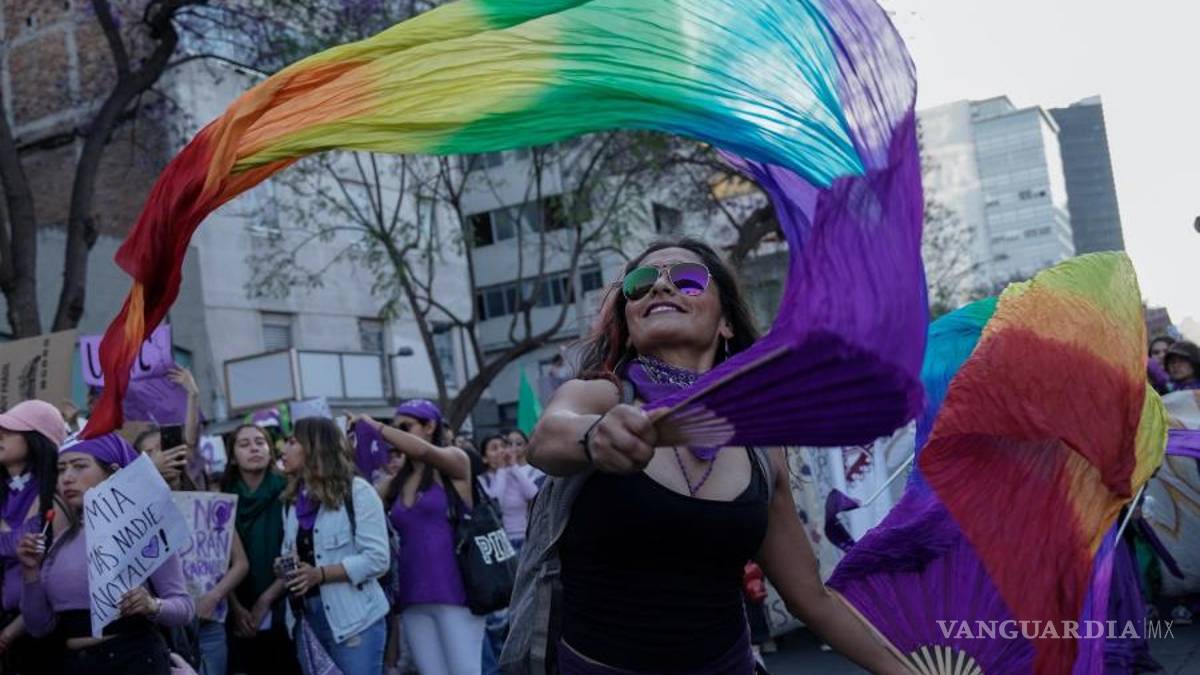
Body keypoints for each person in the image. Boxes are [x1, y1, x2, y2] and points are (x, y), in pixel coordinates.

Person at [504, 239, 912, 674]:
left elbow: (811, 598)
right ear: (628, 317)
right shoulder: (601, 396)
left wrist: (908, 672)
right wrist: (594, 436)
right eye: (640, 284)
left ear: (726, 324)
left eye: (687, 279)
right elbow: (547, 438)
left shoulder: (759, 444)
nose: (659, 287)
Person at [18, 433, 195, 674]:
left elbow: (184, 608)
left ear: (113, 472)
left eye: (79, 466)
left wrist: (152, 605)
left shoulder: (145, 529)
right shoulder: (58, 543)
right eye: (61, 469)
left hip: (135, 661)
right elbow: (38, 626)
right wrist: (30, 572)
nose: (67, 478)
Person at [365, 399, 484, 675]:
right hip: (411, 594)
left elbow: (420, 449)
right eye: (395, 429)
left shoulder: (455, 460)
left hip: (456, 592)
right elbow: (361, 499)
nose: (397, 435)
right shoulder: (393, 482)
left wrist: (376, 426)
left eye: (405, 427)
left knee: (465, 671)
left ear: (430, 426)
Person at [272, 417, 390, 673]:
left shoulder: (357, 492)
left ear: (314, 446)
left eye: (293, 441)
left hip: (355, 620)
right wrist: (284, 565)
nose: (283, 449)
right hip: (306, 621)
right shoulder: (291, 502)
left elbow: (378, 559)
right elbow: (289, 551)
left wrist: (320, 575)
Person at [222, 424, 300, 675]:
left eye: (260, 442)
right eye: (244, 444)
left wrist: (267, 599)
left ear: (270, 450)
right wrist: (235, 607)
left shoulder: (290, 492)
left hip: (286, 601)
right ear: (233, 457)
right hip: (237, 609)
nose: (254, 448)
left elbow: (297, 551)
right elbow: (217, 561)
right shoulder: (221, 500)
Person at [0, 400, 67, 673]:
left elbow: (56, 577)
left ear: (37, 439)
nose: (0, 435)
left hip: (42, 631)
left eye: (9, 429)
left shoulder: (58, 495)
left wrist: (7, 635)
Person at [479, 435, 538, 550]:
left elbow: (533, 494)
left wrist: (514, 467)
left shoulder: (516, 473)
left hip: (526, 538)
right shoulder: (483, 480)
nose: (501, 451)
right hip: (502, 541)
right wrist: (501, 469)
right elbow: (496, 503)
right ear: (484, 458)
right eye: (494, 448)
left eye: (503, 446)